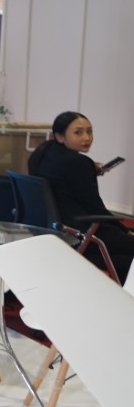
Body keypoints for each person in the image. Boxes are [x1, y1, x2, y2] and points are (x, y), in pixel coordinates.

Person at [28, 111, 134, 283]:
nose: (87, 137)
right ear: (60, 136)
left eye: (89, 131)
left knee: (125, 257)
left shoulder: (43, 152)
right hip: (83, 235)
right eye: (78, 132)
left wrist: (88, 171)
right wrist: (126, 231)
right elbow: (96, 208)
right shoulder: (78, 163)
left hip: (55, 232)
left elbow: (63, 179)